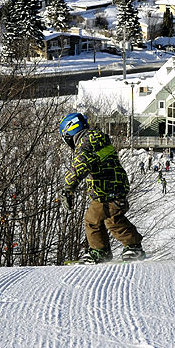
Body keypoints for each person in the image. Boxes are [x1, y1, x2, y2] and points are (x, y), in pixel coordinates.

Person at [58, 113, 146, 264]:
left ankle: (102, 250)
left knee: (93, 219)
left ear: (69, 132)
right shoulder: (97, 138)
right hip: (114, 184)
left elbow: (80, 166)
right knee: (112, 218)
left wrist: (68, 187)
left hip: (106, 188)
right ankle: (131, 246)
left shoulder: (85, 143)